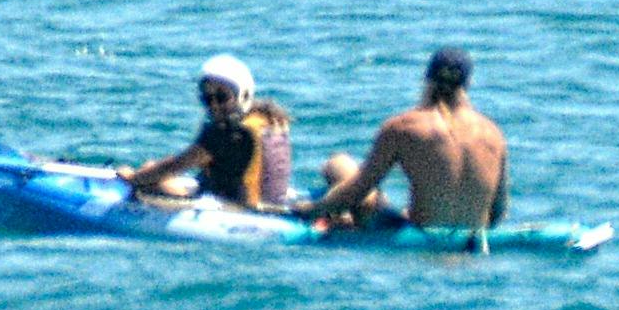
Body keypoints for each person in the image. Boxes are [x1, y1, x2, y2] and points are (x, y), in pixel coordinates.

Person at [307, 48, 509, 234]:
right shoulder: (493, 133)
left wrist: (308, 210)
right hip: (471, 238)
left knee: (339, 164)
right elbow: (497, 211)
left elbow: (357, 192)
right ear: (468, 84)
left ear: (427, 80)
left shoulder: (403, 127)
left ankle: (339, 218)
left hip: (419, 235)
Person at [123, 55, 270, 206]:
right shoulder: (266, 120)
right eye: (207, 98)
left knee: (148, 177)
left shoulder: (227, 132)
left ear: (243, 95)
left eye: (222, 97)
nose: (214, 105)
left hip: (228, 208)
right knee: (151, 169)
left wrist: (132, 178)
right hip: (252, 203)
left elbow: (176, 165)